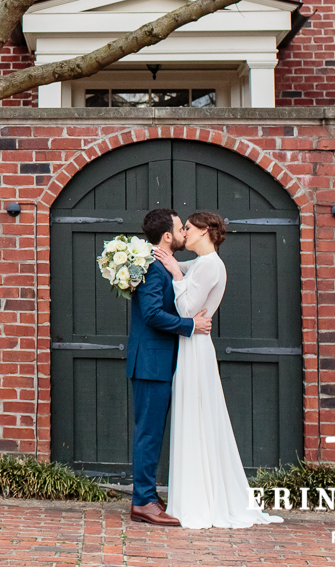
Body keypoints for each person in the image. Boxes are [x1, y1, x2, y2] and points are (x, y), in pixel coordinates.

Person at [152, 210, 284, 529]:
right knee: (196, 416)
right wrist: (164, 259)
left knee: (196, 416)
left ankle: (200, 501)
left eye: (188, 228)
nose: (184, 232)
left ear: (204, 231)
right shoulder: (203, 264)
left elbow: (185, 309)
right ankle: (198, 493)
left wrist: (177, 275)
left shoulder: (211, 265)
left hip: (195, 348)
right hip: (193, 346)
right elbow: (174, 266)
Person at [126, 208, 212, 527]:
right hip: (150, 363)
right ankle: (143, 502)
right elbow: (151, 314)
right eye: (180, 228)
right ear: (167, 236)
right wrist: (190, 325)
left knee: (153, 432)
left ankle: (147, 496)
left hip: (158, 362)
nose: (183, 233)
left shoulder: (162, 264)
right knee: (148, 434)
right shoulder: (152, 266)